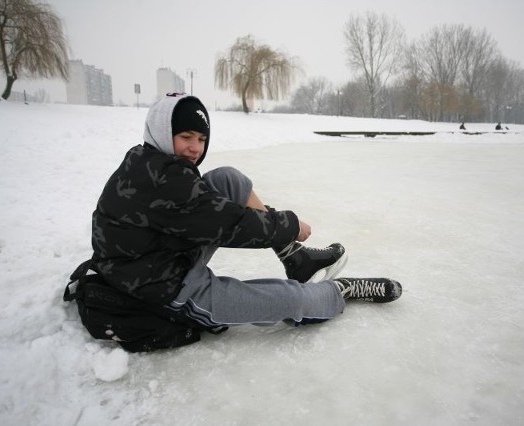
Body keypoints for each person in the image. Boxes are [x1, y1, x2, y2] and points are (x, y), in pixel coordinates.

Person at [83, 93, 401, 339]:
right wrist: (287, 226)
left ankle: (295, 259)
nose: (195, 148)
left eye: (202, 139)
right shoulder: (164, 179)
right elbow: (229, 224)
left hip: (160, 256)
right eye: (186, 137)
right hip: (163, 290)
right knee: (286, 299)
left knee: (227, 179)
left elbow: (205, 211)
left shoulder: (150, 160)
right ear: (164, 133)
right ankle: (339, 290)